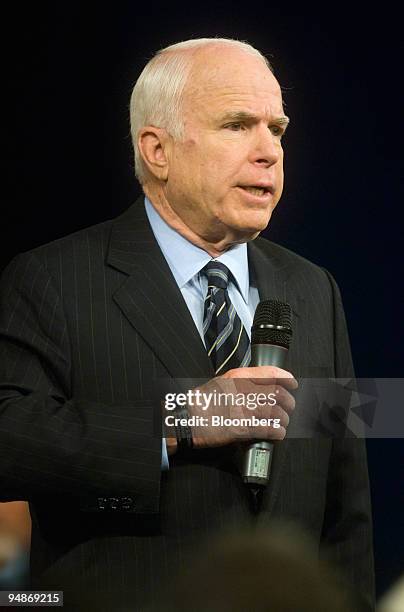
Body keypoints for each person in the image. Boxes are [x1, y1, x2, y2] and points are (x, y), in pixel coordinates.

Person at [0, 38, 374, 611]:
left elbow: (345, 502)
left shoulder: (312, 287)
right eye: (236, 125)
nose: (268, 152)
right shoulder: (53, 277)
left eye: (277, 129)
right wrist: (181, 418)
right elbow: (11, 443)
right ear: (157, 150)